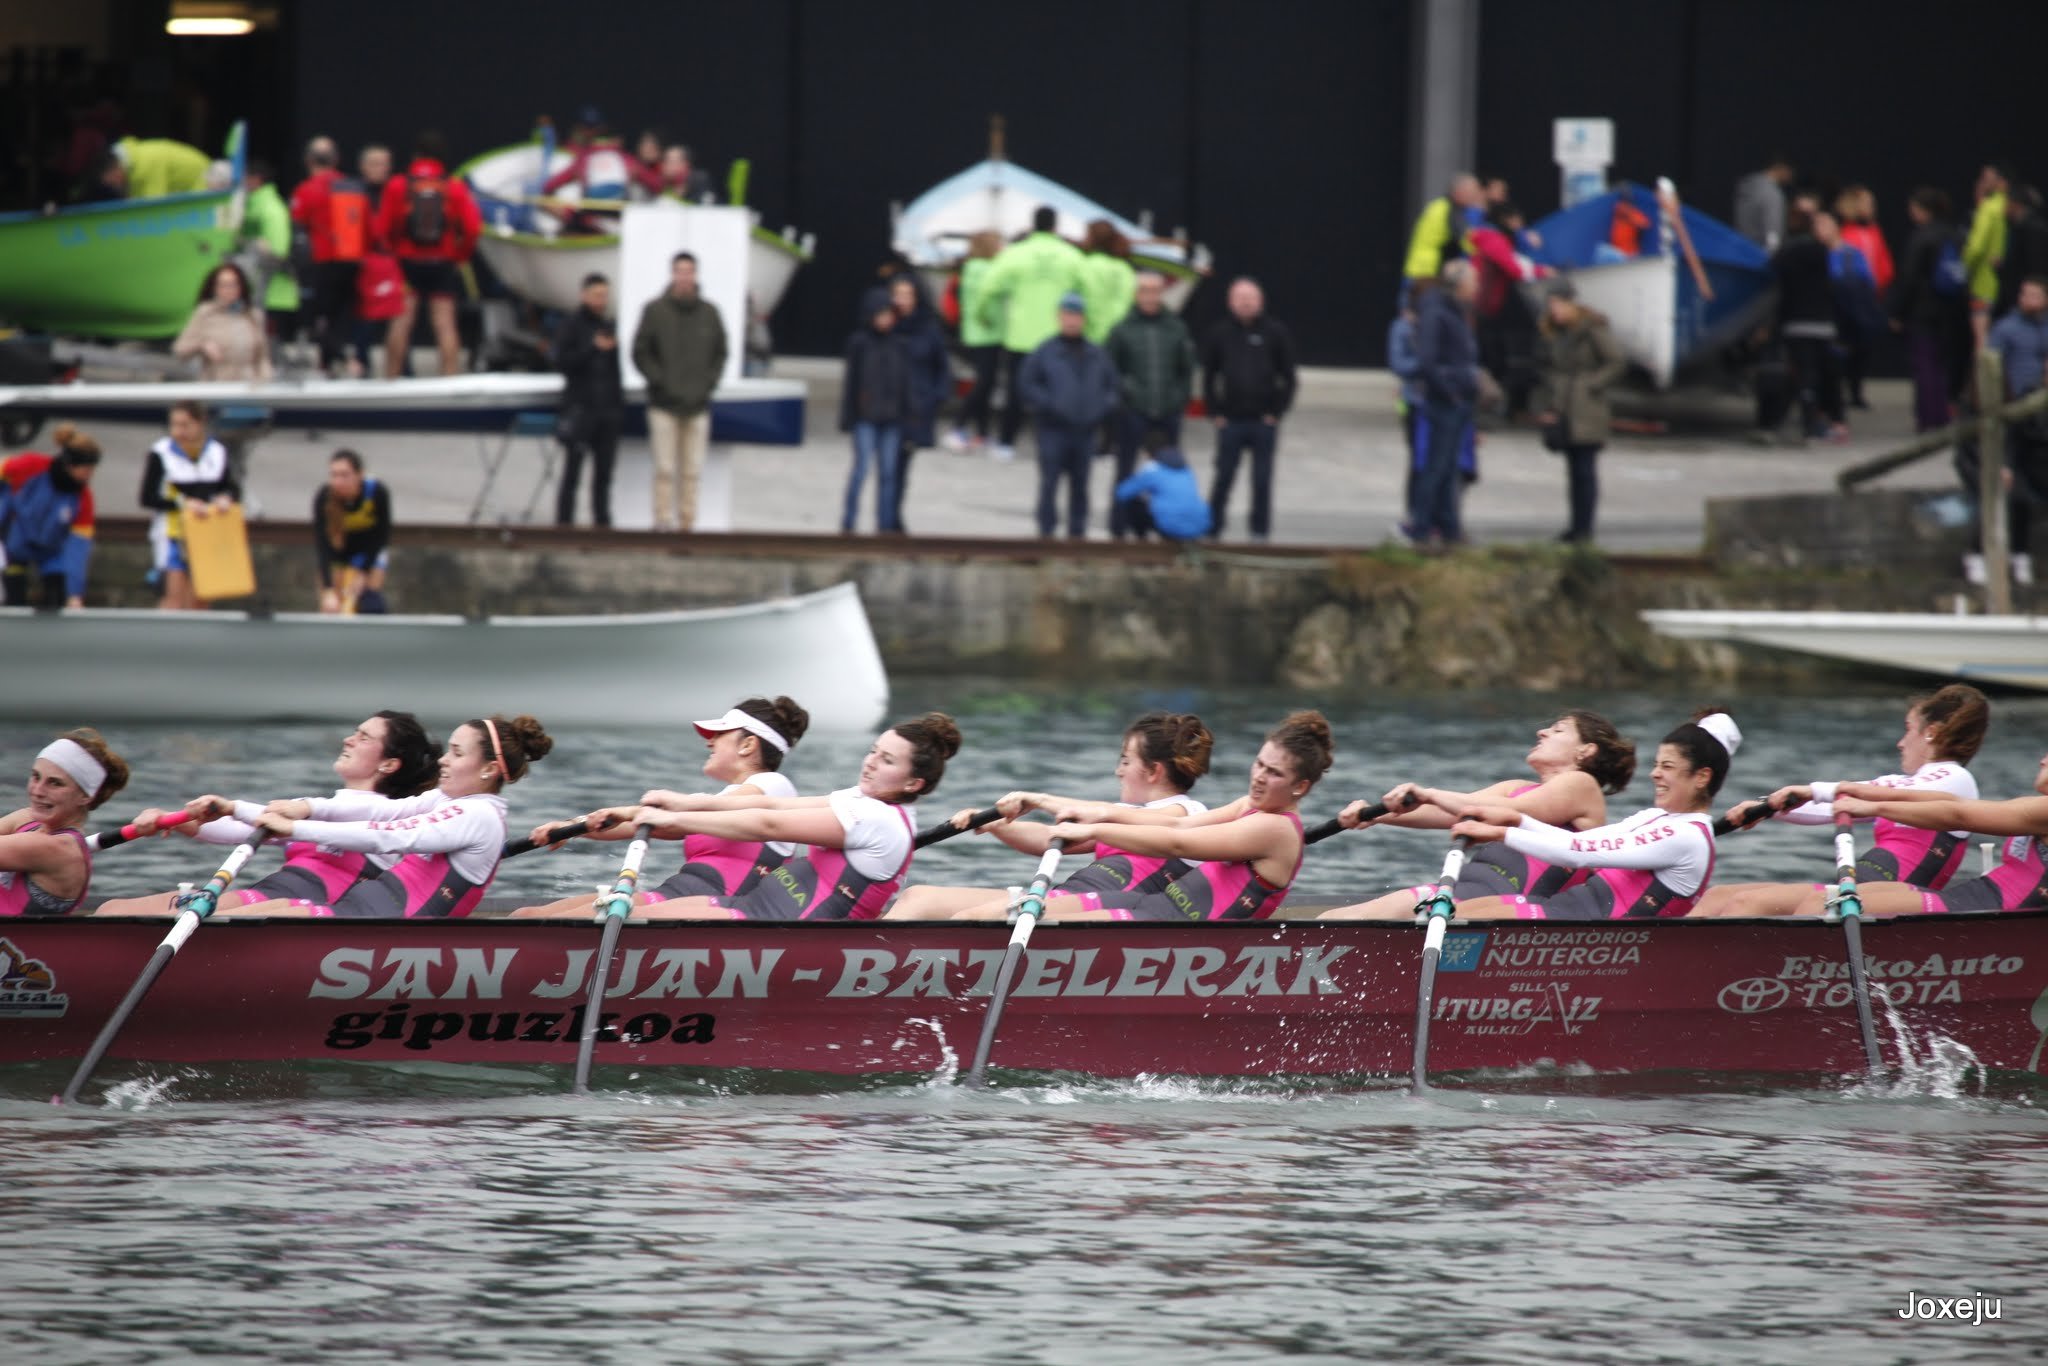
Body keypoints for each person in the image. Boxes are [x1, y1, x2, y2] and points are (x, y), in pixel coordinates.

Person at [945, 711, 1334, 923]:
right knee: (978, 917)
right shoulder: (1249, 804)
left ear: (1300, 786)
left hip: (1173, 930)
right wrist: (1053, 803)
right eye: (1259, 764)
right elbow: (1177, 825)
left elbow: (1178, 842)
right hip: (1148, 907)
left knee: (988, 922)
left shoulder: (1276, 829)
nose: (1259, 777)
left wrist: (1098, 826)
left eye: (1274, 773)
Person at [573, 713, 962, 922]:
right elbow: (773, 808)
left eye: (887, 760)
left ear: (913, 783)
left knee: (633, 923)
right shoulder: (860, 799)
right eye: (874, 751)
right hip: (753, 908)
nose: (871, 762)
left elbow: (767, 826)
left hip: (785, 932)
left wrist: (679, 818)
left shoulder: (879, 820)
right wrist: (675, 805)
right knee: (634, 917)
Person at [205, 714, 553, 919]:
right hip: (355, 911)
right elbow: (379, 810)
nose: (443, 761)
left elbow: (386, 835)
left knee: (258, 915)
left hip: (380, 926)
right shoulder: (444, 800)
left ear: (488, 769)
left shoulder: (479, 815)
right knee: (259, 911)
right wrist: (297, 808)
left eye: (457, 753)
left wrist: (295, 827)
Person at [95, 712, 440, 916]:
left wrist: (230, 806)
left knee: (118, 917)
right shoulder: (314, 808)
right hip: (262, 897)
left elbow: (254, 817)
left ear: (389, 764)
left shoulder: (386, 818)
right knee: (110, 910)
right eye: (355, 732)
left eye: (363, 738)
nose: (348, 740)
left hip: (293, 913)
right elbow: (239, 831)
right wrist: (170, 820)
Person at [1693, 686, 1988, 919]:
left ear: (1930, 733)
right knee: (1719, 896)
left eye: (1908, 729)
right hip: (1857, 891)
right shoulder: (1899, 786)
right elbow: (1830, 807)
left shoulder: (1956, 779)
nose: (1901, 743)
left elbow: (1858, 794)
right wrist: (1766, 808)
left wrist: (1813, 790)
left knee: (1748, 903)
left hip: (1892, 901)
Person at [887, 711, 1213, 920]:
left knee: (970, 920)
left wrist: (1043, 800)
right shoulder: (1124, 815)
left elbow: (1166, 825)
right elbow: (1048, 839)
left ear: (1154, 771)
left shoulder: (1188, 812)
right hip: (1057, 899)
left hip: (1101, 916)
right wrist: (995, 824)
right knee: (919, 898)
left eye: (1126, 761)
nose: (1118, 771)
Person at [1321, 710, 1636, 919]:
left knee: (1343, 921)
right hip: (1464, 893)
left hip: (1503, 910)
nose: (1542, 732)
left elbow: (1503, 813)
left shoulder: (1582, 785)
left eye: (1557, 730)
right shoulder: (1517, 787)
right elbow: (1446, 812)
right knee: (1333, 919)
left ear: (1586, 750)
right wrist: (1372, 815)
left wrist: (1427, 792)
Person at [1428, 710, 1739, 921]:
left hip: (1588, 933)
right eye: (1656, 764)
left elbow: (1579, 853)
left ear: (1701, 777)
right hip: (1561, 911)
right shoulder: (1655, 818)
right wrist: (1518, 821)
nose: (1654, 774)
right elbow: (1587, 840)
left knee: (1461, 918)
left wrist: (1503, 833)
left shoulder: (1686, 836)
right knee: (1454, 912)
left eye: (1667, 767)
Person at [517, 699, 810, 919]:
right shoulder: (712, 802)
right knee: (526, 915)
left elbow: (670, 816)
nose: (709, 742)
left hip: (713, 912)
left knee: (537, 924)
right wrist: (570, 827)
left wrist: (631, 811)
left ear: (747, 745)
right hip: (670, 898)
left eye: (719, 734)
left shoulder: (774, 785)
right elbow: (634, 825)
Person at [1825, 749, 2048, 917]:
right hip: (1972, 900)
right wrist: (1856, 791)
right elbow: (1955, 803)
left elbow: (1959, 816)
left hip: (1990, 917)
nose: (2042, 760)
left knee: (1829, 905)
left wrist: (1874, 808)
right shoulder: (2038, 805)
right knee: (1836, 896)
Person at [632, 251, 728, 533]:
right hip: (663, 404)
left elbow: (721, 352)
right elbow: (640, 351)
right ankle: (662, 521)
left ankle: (688, 523)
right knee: (664, 468)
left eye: (689, 272)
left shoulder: (709, 313)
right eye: (680, 271)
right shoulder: (655, 311)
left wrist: (708, 383)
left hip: (698, 405)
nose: (684, 277)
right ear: (672, 274)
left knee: (692, 470)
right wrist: (659, 380)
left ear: (695, 275)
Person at [980, 205, 1086, 459]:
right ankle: (1053, 445)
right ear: (1055, 227)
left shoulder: (1015, 253)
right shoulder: (1071, 256)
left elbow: (988, 287)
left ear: (1033, 225)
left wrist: (984, 316)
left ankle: (1006, 444)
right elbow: (1087, 292)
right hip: (1057, 338)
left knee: (1015, 393)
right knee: (1058, 392)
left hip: (1020, 337)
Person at [376, 131, 481, 379]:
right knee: (445, 324)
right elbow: (473, 228)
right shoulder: (453, 186)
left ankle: (391, 378)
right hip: (442, 260)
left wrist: (393, 253)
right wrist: (460, 255)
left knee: (401, 321)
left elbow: (382, 229)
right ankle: (449, 378)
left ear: (416, 155)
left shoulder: (398, 184)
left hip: (406, 261)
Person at [1202, 277, 1297, 541]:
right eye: (1240, 298)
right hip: (1230, 421)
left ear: (1260, 301)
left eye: (1250, 298)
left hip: (1263, 421)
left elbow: (1289, 377)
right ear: (1231, 302)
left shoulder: (1275, 333)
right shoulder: (1219, 333)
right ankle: (1212, 527)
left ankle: (1259, 531)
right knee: (1223, 476)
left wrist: (1276, 412)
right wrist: (1215, 412)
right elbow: (1208, 377)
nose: (1245, 303)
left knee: (1262, 480)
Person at [1018, 292, 1119, 539]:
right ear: (1059, 317)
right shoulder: (1045, 351)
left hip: (1085, 432)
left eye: (1076, 315)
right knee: (1050, 483)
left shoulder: (1097, 353)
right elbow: (1027, 384)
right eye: (1067, 315)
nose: (1072, 321)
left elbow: (1113, 386)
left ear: (1083, 319)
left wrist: (1101, 408)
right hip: (1053, 430)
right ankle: (1046, 533)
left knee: (1080, 487)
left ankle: (1077, 535)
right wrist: (1049, 405)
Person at [1104, 270, 1195, 537]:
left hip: (1167, 410)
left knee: (1169, 472)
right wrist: (1126, 394)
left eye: (1155, 291)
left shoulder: (1176, 328)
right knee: (1125, 469)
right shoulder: (1122, 329)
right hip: (1134, 411)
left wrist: (1178, 398)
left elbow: (1186, 369)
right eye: (1144, 291)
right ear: (1136, 295)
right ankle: (1118, 526)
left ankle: (1165, 526)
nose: (1150, 297)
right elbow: (1110, 370)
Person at [0, 730, 129, 917]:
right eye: (36, 776)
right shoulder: (27, 819)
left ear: (85, 796)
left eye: (55, 783)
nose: (37, 791)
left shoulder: (59, 849)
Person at [1535, 280, 1626, 543]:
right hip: (1565, 407)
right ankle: (1575, 528)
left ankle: (1584, 529)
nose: (1554, 310)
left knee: (1585, 470)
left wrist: (1592, 385)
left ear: (1571, 303)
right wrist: (1550, 404)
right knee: (1573, 471)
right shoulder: (1554, 332)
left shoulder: (1592, 327)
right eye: (1551, 305)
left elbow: (1616, 361)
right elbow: (1549, 369)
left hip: (1587, 409)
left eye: (1559, 304)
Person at [1976, 275, 2048, 586]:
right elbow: (1987, 364)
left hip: (2038, 418)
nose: (2027, 300)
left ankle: (2023, 557)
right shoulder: (2006, 329)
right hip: (2010, 411)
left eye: (2035, 295)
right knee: (2008, 495)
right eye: (2024, 294)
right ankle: (1981, 555)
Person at [139, 401, 239, 612]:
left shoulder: (217, 452)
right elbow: (147, 497)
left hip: (206, 532)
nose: (178, 432)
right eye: (174, 425)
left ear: (200, 423)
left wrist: (225, 498)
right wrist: (182, 503)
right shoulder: (161, 452)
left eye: (185, 425)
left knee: (201, 599)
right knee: (173, 599)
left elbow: (231, 488)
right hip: (172, 533)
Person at [1410, 259, 1481, 547]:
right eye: (1473, 281)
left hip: (1460, 400)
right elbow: (1427, 361)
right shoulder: (1436, 312)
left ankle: (1449, 528)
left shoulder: (1456, 310)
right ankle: (1422, 528)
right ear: (1459, 284)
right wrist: (1450, 391)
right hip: (1445, 402)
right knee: (1436, 467)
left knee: (1450, 468)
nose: (1477, 287)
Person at [1759, 208, 1843, 443]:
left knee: (1800, 373)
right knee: (1815, 375)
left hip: (1794, 323)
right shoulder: (1822, 252)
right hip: (1820, 323)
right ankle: (1811, 423)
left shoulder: (1785, 253)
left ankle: (1777, 421)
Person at [1891, 187, 1971, 433]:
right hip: (1952, 309)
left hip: (1923, 310)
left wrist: (1897, 312)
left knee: (1924, 363)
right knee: (1943, 363)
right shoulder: (1956, 235)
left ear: (1922, 210)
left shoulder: (1921, 238)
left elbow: (1910, 278)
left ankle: (1929, 416)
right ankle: (1943, 412)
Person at [289, 135, 369, 376]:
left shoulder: (306, 190)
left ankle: (344, 360)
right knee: (341, 318)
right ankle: (331, 365)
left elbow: (296, 225)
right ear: (336, 160)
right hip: (352, 261)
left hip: (321, 263)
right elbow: (369, 227)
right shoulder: (353, 188)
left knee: (318, 319)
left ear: (308, 161)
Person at [552, 272, 624, 527]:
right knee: (572, 473)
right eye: (596, 295)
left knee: (603, 475)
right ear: (584, 295)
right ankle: (564, 525)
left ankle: (602, 525)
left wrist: (618, 409)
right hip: (581, 409)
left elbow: (616, 372)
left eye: (604, 295)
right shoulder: (571, 325)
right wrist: (592, 348)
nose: (601, 300)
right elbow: (562, 362)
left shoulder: (610, 326)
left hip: (607, 412)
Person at [838, 288, 912, 534]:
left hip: (893, 419)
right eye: (881, 314)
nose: (886, 319)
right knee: (861, 470)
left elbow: (905, 384)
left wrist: (908, 417)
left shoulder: (900, 344)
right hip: (865, 417)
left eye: (889, 314)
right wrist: (848, 417)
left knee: (889, 473)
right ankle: (848, 523)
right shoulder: (860, 343)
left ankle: (885, 526)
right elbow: (851, 383)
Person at [1, 425, 99, 608]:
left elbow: (78, 547)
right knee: (14, 598)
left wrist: (75, 593)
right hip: (15, 543)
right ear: (69, 464)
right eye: (85, 469)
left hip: (51, 552)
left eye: (92, 469)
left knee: (56, 597)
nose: (89, 475)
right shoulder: (31, 466)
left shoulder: (83, 498)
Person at [888, 274, 951, 532]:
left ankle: (893, 517)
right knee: (887, 468)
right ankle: (887, 518)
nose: (902, 301)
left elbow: (942, 368)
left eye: (907, 295)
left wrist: (934, 398)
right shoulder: (884, 324)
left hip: (915, 409)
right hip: (886, 408)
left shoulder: (928, 329)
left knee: (901, 469)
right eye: (897, 294)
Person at [945, 230, 1006, 455]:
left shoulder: (970, 268)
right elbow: (988, 298)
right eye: (998, 244)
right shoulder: (988, 270)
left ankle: (982, 433)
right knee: (983, 384)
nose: (1002, 248)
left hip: (974, 333)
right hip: (988, 333)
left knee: (985, 384)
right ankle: (957, 426)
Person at [1828, 195, 1890, 411]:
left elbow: (1881, 268)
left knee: (1861, 349)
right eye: (1866, 203)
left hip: (1863, 301)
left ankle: (1855, 390)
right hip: (1843, 304)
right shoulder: (1847, 237)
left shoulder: (1872, 233)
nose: (1871, 208)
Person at [313, 450, 392, 613]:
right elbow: (323, 544)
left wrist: (363, 573)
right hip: (339, 553)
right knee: (332, 605)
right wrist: (328, 589)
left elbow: (381, 537)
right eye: (334, 475)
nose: (338, 481)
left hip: (368, 552)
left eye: (345, 475)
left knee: (368, 602)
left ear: (359, 475)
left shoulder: (377, 493)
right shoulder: (324, 497)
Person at [174, 263, 273, 382]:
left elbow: (262, 357)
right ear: (215, 288)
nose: (229, 290)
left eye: (234, 284)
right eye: (223, 285)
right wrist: (201, 345)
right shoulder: (205, 313)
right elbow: (180, 350)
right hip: (217, 384)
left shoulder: (253, 315)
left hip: (248, 385)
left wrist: (266, 379)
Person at [237, 158, 299, 320]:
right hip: (255, 293)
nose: (240, 183)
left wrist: (248, 244)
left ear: (255, 179)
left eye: (243, 178)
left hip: (271, 295)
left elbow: (278, 253)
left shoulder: (271, 208)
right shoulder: (252, 205)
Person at [1113, 445, 1211, 542]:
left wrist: (1144, 473)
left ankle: (1141, 539)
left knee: (1133, 503)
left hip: (1169, 526)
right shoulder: (1187, 472)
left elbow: (1122, 493)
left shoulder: (1154, 471)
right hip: (1200, 526)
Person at [1403, 173, 1484, 288]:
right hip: (1427, 273)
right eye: (1472, 193)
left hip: (1418, 268)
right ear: (1460, 192)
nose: (1474, 198)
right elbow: (1468, 241)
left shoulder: (1439, 205)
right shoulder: (1451, 211)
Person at [1964, 163, 2012, 349]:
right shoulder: (2011, 207)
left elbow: (1976, 248)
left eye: (1986, 179)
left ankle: (1984, 369)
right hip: (2009, 284)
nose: (1981, 183)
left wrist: (1964, 267)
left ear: (2002, 182)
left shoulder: (1989, 208)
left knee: (1982, 339)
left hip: (1983, 284)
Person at [1079, 220, 1136, 344]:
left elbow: (1083, 304)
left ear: (1093, 238)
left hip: (1090, 340)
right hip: (1119, 342)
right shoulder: (1125, 270)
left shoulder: (1086, 265)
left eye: (1086, 235)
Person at [1999, 187, 2048, 318]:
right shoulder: (2018, 226)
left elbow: (2036, 264)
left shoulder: (2032, 228)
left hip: (2029, 290)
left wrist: (2033, 291)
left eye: (2006, 203)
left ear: (2015, 204)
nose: (2003, 208)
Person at [112, 134, 210, 199]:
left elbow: (154, 205)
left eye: (113, 179)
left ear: (117, 166)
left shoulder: (146, 161)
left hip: (205, 182)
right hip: (188, 190)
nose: (114, 185)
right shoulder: (133, 162)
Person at [1734, 155, 1795, 250]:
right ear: (1781, 168)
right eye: (1790, 171)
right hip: (1759, 252)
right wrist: (1772, 253)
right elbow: (1773, 235)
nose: (1791, 176)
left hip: (1740, 248)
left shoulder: (1746, 185)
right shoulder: (1772, 194)